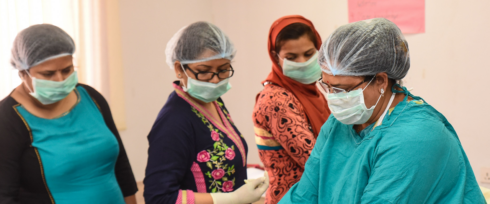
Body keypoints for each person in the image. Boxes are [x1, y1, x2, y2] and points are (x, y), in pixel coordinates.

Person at [279, 18, 486, 203]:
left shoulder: (416, 137)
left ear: (380, 80)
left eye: (343, 89)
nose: (334, 97)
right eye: (328, 86)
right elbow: (304, 196)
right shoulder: (337, 125)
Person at [0, 24, 138, 203]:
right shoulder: (8, 119)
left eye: (67, 70)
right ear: (22, 73)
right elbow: (4, 195)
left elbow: (122, 167)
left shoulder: (91, 98)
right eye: (48, 74)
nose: (60, 80)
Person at [144, 21, 268, 204]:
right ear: (180, 69)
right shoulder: (173, 122)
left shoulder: (212, 101)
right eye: (204, 71)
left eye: (223, 70)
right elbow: (159, 197)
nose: (214, 80)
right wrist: (229, 199)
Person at [252, 15, 330, 204]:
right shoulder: (275, 100)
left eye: (309, 54)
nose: (302, 62)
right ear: (275, 56)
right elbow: (315, 161)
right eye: (291, 57)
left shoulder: (314, 92)